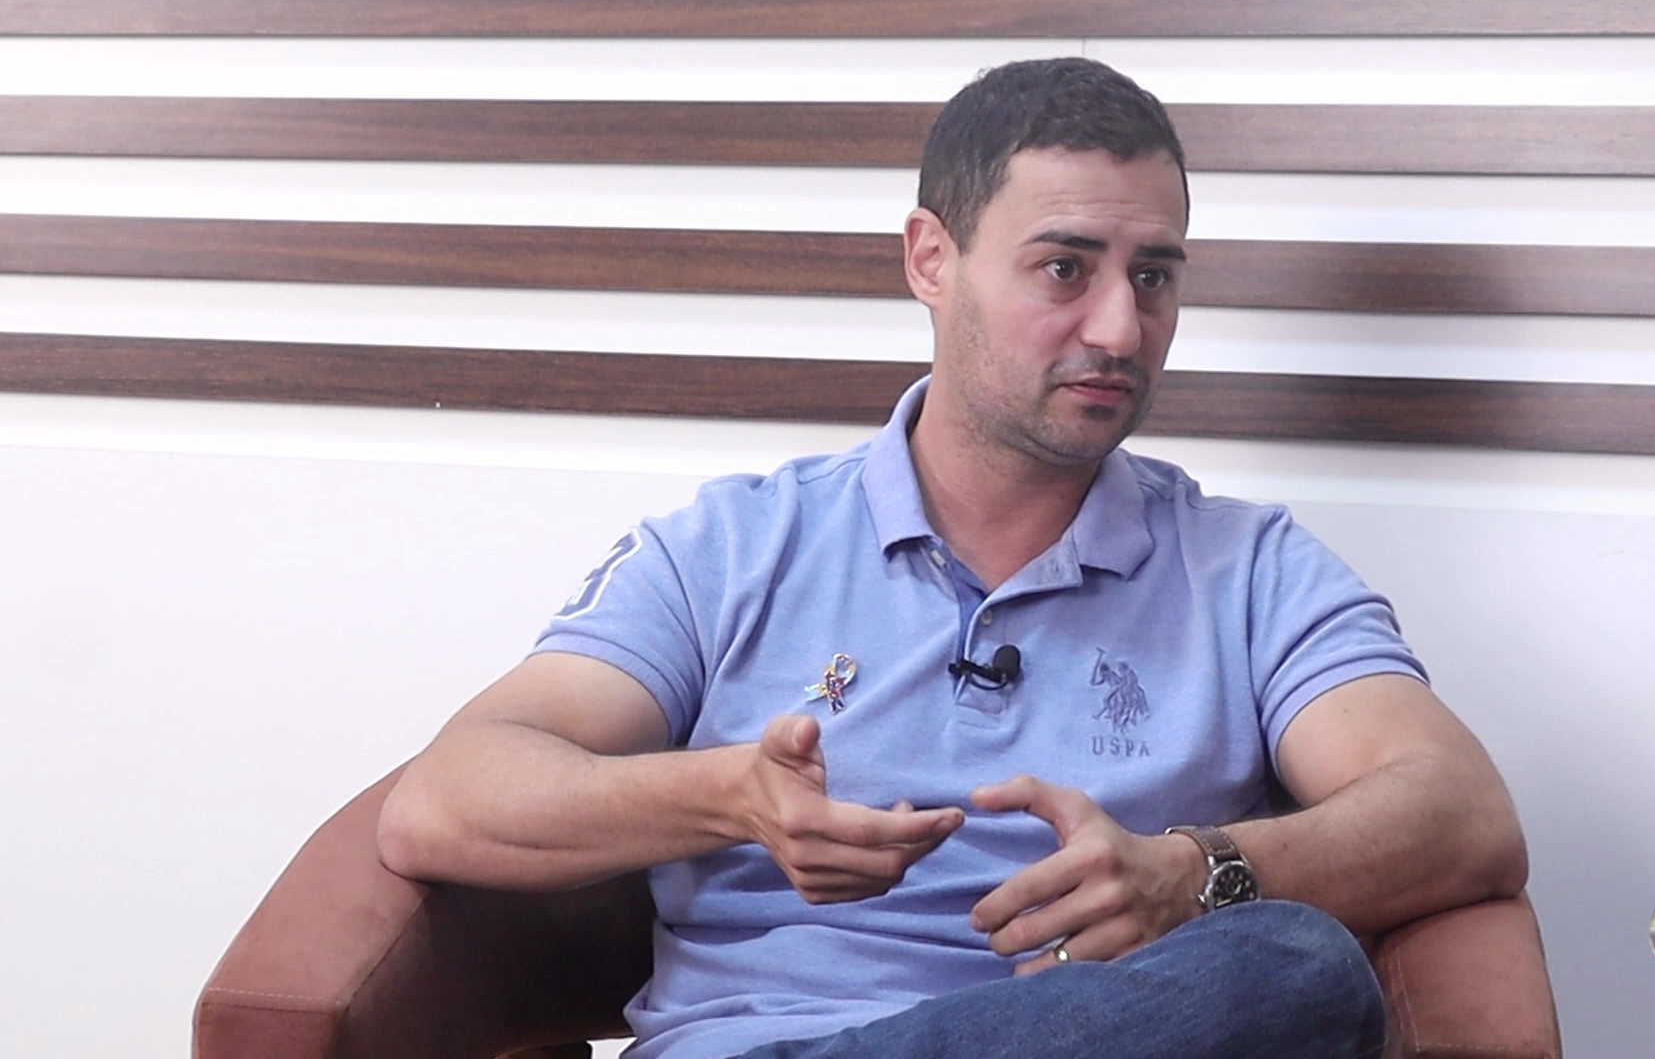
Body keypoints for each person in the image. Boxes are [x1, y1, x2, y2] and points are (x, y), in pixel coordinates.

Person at [376, 57, 1528, 1059]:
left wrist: (1194, 873)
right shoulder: (735, 545)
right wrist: (726, 796)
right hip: (764, 1036)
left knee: (1299, 967)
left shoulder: (1251, 570)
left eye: (1154, 277)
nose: (1120, 329)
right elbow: (447, 798)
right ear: (932, 259)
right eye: (1065, 268)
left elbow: (1462, 812)